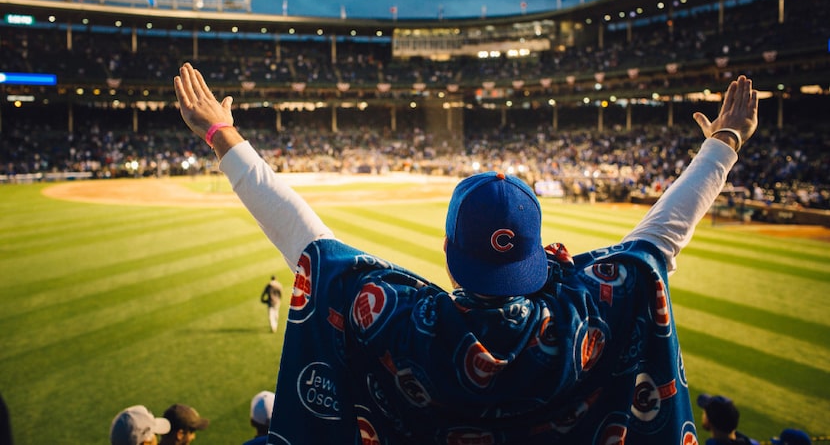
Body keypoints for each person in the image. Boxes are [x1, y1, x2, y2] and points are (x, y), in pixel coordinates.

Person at [174, 62, 758, 444]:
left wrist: (222, 135)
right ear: (534, 253)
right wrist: (722, 146)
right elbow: (657, 242)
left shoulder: (403, 322)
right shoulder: (586, 318)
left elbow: (309, 243)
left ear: (450, 249)